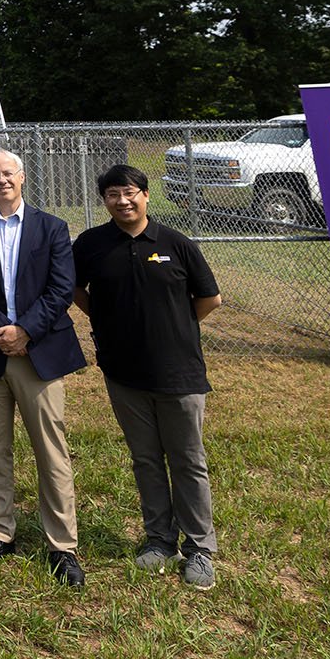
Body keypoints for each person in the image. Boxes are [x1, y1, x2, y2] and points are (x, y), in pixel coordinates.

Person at [73, 163, 223, 591]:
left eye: (130, 192)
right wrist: (106, 320)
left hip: (179, 373)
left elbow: (210, 298)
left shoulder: (176, 243)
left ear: (145, 195)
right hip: (123, 373)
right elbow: (73, 289)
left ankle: (199, 549)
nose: (122, 201)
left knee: (188, 460)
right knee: (145, 458)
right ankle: (159, 540)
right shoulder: (91, 245)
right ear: (104, 201)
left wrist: (172, 327)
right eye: (112, 195)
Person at [0, 149, 87, 587]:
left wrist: (25, 331)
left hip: (39, 354)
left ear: (22, 177)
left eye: (8, 173)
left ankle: (62, 545)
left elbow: (62, 287)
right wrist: (3, 329)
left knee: (51, 451)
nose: (1, 180)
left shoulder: (52, 228)